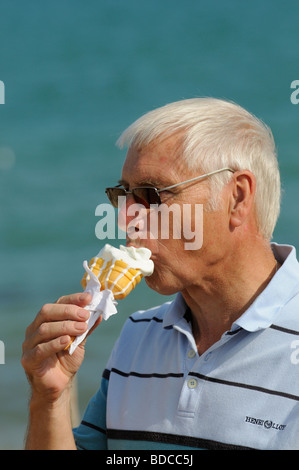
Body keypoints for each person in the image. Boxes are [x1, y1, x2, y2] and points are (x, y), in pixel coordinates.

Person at [22, 98, 299, 450]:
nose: (127, 219)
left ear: (237, 199)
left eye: (151, 195)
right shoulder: (138, 336)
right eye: (123, 196)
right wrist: (50, 399)